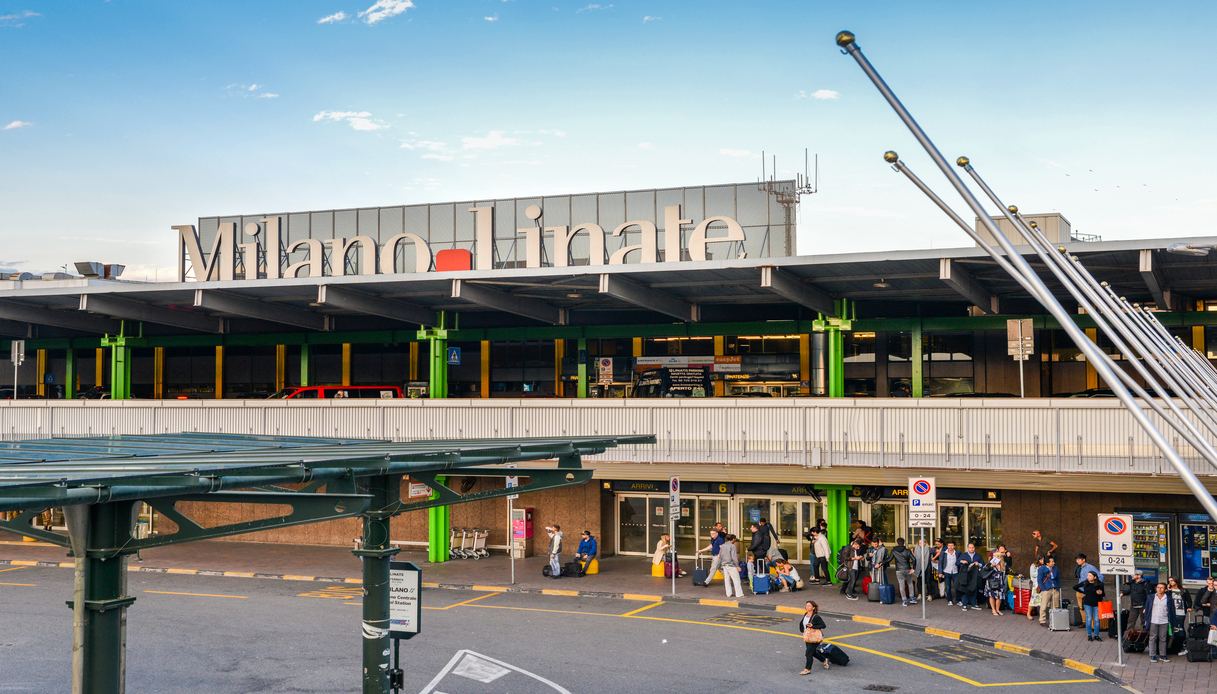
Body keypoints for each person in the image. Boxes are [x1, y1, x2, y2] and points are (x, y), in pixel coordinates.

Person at [1144, 582, 1177, 663]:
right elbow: (1147, 609)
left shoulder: (1169, 599)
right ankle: (1153, 655)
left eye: (1162, 587)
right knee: (1152, 638)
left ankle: (1163, 655)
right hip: (1153, 620)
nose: (1159, 589)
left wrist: (1173, 622)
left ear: (1165, 589)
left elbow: (1172, 611)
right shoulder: (1151, 597)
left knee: (1163, 638)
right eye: (1158, 587)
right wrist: (1146, 620)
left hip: (1164, 621)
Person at [798, 600, 828, 675]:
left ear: (813, 608)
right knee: (813, 652)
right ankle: (824, 660)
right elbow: (803, 623)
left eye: (809, 606)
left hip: (814, 637)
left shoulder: (816, 616)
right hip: (807, 636)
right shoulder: (806, 614)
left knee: (808, 653)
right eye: (806, 605)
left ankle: (807, 669)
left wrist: (813, 626)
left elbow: (823, 625)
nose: (807, 607)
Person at [1075, 569, 1105, 641]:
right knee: (1088, 619)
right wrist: (1083, 592)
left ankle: (1096, 635)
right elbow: (1075, 587)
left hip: (1097, 604)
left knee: (1097, 620)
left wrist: (1100, 593)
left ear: (1095, 577)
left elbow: (1103, 594)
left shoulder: (1100, 584)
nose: (1088, 577)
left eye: (1090, 575)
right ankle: (1089, 635)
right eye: (1088, 575)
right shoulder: (1085, 582)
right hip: (1087, 603)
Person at [1073, 554, 1101, 623]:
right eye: (1076, 560)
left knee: (1089, 607)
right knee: (1081, 607)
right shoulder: (1079, 568)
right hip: (1080, 590)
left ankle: (1092, 623)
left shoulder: (1090, 567)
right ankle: (1084, 622)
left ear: (1084, 560)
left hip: (1088, 591)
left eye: (1079, 559)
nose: (1077, 561)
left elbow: (1100, 577)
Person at [1166, 576, 1191, 654]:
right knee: (1171, 628)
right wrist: (1168, 590)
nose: (1170, 582)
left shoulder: (1183, 590)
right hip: (1171, 612)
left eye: (1172, 581)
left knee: (1180, 628)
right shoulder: (1168, 591)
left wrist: (1189, 607)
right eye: (1169, 581)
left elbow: (1189, 600)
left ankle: (1182, 645)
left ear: (1176, 581)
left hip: (1180, 612)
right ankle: (1173, 645)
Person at [891, 537, 916, 606]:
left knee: (901, 585)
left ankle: (904, 601)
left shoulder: (894, 551)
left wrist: (881, 563)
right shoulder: (907, 551)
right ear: (904, 543)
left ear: (897, 543)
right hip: (908, 569)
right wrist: (913, 568)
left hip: (899, 570)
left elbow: (889, 559)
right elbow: (914, 559)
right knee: (910, 583)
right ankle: (912, 598)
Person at [1036, 556, 1061, 626]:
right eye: (1052, 562)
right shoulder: (1041, 569)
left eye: (1053, 561)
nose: (1053, 563)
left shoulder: (1055, 568)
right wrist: (1043, 589)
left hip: (1055, 589)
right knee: (1044, 605)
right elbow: (1039, 580)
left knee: (1055, 605)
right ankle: (1042, 620)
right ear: (1047, 563)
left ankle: (1054, 620)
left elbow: (1058, 578)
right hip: (1046, 589)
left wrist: (1058, 587)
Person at [957, 543, 983, 611]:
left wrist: (979, 564)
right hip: (965, 575)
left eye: (973, 547)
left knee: (974, 589)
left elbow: (983, 564)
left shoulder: (978, 555)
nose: (972, 549)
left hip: (974, 575)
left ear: (974, 548)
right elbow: (957, 563)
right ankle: (964, 605)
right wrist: (962, 561)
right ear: (967, 548)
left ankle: (974, 604)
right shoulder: (964, 555)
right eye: (970, 547)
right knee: (965, 590)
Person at [719, 533, 744, 599]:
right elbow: (734, 557)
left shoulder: (722, 546)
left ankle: (728, 593)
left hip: (724, 565)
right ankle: (739, 594)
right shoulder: (732, 546)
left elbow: (720, 556)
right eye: (734, 539)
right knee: (736, 580)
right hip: (731, 565)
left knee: (727, 580)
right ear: (733, 539)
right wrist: (737, 566)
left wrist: (720, 566)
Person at [984, 552, 1008, 616]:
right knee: (992, 596)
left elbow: (1008, 571)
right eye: (993, 556)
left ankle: (997, 609)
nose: (994, 557)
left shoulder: (1003, 564)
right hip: (991, 582)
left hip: (1000, 583)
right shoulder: (990, 564)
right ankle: (993, 610)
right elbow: (985, 569)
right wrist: (991, 566)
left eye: (996, 556)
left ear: (1000, 557)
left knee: (999, 596)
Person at [913, 536, 933, 602]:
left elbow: (938, 553)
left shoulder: (929, 549)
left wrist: (934, 559)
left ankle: (929, 595)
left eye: (922, 542)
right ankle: (919, 594)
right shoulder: (915, 549)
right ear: (918, 543)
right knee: (919, 581)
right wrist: (913, 568)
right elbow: (914, 559)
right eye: (920, 543)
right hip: (918, 567)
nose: (921, 544)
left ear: (925, 543)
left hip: (927, 567)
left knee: (928, 581)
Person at [939, 541, 960, 605]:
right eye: (949, 546)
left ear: (954, 546)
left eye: (952, 545)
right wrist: (940, 572)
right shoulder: (943, 553)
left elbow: (960, 561)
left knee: (957, 587)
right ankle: (949, 600)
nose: (950, 547)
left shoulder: (958, 553)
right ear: (947, 546)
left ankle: (958, 600)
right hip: (946, 572)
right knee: (948, 587)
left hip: (955, 572)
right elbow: (940, 563)